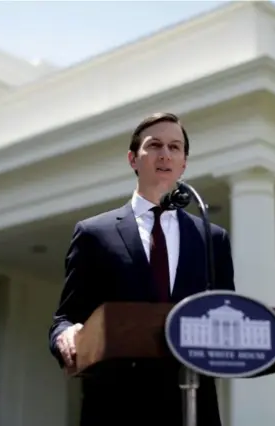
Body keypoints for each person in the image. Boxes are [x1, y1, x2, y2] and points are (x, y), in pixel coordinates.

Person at [48, 112, 236, 426]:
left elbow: (225, 315)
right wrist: (66, 334)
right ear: (133, 159)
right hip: (116, 405)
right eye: (155, 145)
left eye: (175, 147)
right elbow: (65, 317)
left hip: (192, 405)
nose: (165, 154)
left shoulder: (212, 238)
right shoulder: (95, 233)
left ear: (184, 163)